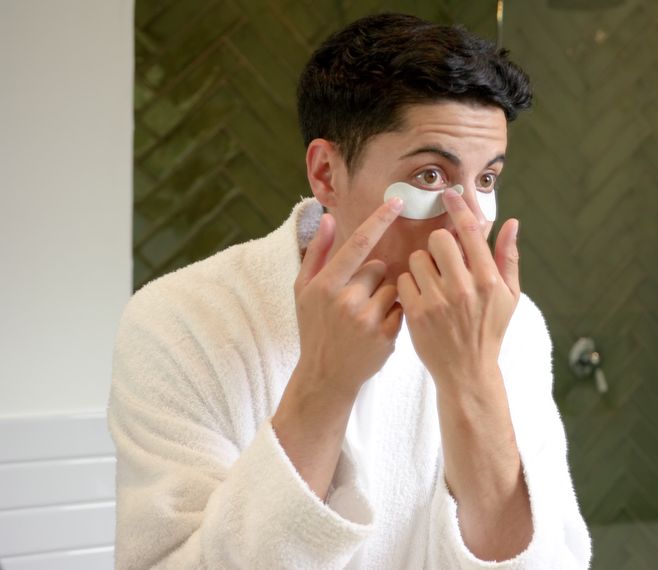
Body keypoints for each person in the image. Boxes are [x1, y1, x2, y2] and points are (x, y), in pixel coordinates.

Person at [108, 13, 591, 569]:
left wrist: (473, 375)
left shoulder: (513, 325)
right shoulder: (182, 321)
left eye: (487, 180)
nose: (470, 221)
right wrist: (325, 381)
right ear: (326, 174)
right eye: (431, 176)